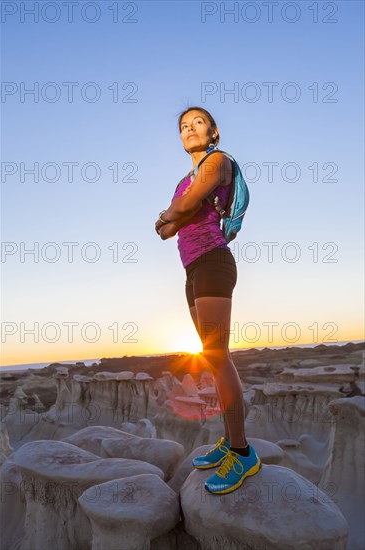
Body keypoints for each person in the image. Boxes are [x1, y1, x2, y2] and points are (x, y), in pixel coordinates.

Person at [155, 107, 261, 495]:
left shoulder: (218, 161)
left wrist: (174, 213)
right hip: (192, 270)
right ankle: (230, 439)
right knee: (211, 355)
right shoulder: (185, 179)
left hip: (214, 262)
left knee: (217, 355)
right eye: (183, 126)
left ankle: (242, 451)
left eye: (197, 122)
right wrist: (175, 215)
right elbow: (167, 231)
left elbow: (177, 214)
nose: (189, 129)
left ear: (213, 131)